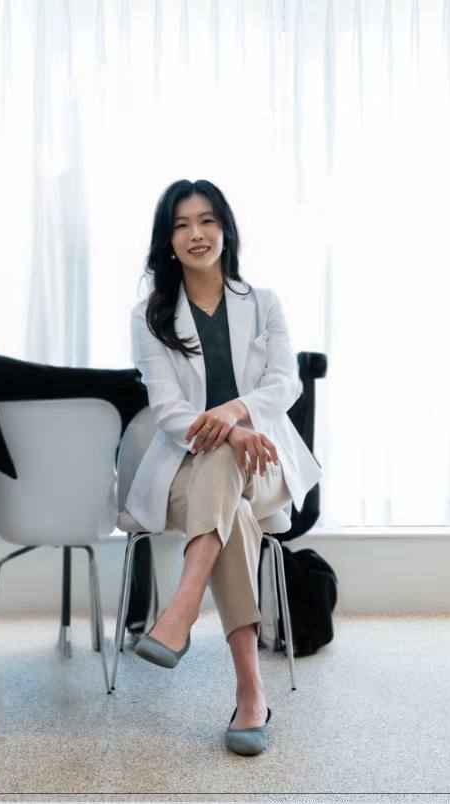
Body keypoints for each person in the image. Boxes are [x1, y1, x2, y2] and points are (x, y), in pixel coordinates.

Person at [124, 178, 323, 756]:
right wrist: (225, 433)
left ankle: (181, 609)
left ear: (225, 230)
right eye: (182, 225)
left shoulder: (262, 302)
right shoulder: (150, 316)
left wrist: (237, 416)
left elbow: (286, 383)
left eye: (206, 221)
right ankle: (251, 693)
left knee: (229, 465)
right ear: (168, 241)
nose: (196, 234)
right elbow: (166, 409)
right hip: (191, 468)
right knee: (225, 494)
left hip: (266, 462)